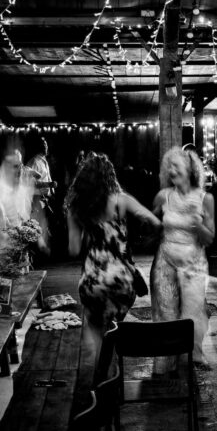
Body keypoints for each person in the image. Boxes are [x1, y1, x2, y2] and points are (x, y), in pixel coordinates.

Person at [66, 152, 160, 388]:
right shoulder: (121, 200)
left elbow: (73, 250)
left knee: (97, 332)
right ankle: (109, 380)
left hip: (93, 280)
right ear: (110, 176)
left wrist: (89, 231)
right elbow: (154, 222)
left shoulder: (76, 208)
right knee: (113, 330)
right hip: (121, 279)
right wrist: (143, 239)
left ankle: (100, 382)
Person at [151, 147, 215, 370]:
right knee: (166, 312)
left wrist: (197, 225)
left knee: (192, 312)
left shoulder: (205, 198)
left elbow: (210, 238)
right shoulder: (164, 196)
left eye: (176, 166)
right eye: (169, 166)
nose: (172, 170)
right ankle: (167, 362)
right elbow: (151, 224)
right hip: (166, 260)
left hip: (193, 262)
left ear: (190, 169)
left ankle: (192, 356)